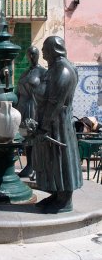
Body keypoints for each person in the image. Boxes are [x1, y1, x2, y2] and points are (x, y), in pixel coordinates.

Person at [32, 36, 83, 213]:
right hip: (50, 123)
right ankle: (56, 195)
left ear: (54, 49)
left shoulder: (63, 69)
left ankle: (65, 200)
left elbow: (55, 102)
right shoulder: (54, 68)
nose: (43, 51)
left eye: (45, 47)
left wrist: (43, 127)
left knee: (61, 159)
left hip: (58, 125)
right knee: (52, 161)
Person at [16, 46, 47, 178]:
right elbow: (18, 91)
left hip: (34, 107)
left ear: (38, 55)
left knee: (35, 137)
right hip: (23, 106)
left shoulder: (43, 72)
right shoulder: (25, 72)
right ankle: (29, 166)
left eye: (34, 54)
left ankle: (37, 167)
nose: (32, 56)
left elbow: (46, 92)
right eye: (30, 54)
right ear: (27, 56)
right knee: (26, 139)